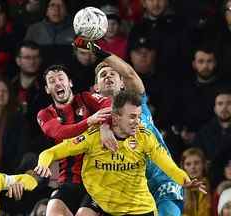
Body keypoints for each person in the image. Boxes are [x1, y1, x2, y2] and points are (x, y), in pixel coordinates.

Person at [34, 90, 206, 216]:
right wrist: (43, 163)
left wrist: (185, 180)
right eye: (132, 117)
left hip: (140, 209)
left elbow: (167, 164)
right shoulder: (93, 137)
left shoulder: (144, 137)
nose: (137, 122)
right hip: (107, 207)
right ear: (115, 118)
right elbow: (51, 153)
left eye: (138, 116)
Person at [73, 36, 185, 216]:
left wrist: (97, 51)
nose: (108, 75)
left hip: (160, 180)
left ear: (123, 83)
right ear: (96, 88)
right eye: (103, 74)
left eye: (113, 73)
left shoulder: (136, 100)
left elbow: (130, 74)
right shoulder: (91, 121)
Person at [36, 64, 112, 215]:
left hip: (98, 178)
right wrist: (89, 121)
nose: (57, 83)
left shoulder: (86, 98)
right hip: (69, 179)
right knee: (53, 211)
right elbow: (59, 132)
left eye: (60, 78)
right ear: (47, 89)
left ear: (70, 82)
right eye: (52, 80)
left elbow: (109, 105)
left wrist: (104, 126)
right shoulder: (45, 114)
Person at [180, 148, 212, 216]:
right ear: (183, 167)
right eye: (188, 164)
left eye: (196, 163)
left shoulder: (212, 186)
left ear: (203, 164)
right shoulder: (178, 189)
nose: (193, 167)